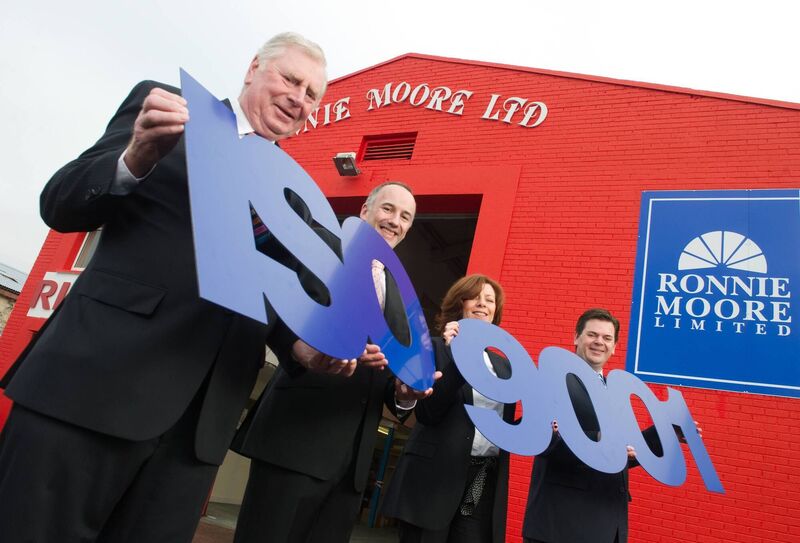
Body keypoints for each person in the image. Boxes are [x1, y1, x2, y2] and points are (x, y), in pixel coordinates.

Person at [0, 32, 342, 543]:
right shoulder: (168, 114)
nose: (299, 98)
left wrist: (303, 349)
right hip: (93, 390)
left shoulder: (293, 204)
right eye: (291, 79)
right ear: (253, 68)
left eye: (313, 94)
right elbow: (62, 203)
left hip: (194, 437)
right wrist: (136, 155)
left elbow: (267, 302)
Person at [232, 181, 436, 543]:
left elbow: (389, 380)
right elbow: (275, 299)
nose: (395, 221)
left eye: (405, 217)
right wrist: (302, 348)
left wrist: (405, 394)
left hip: (350, 469)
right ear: (364, 211)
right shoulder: (323, 249)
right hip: (295, 442)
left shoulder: (401, 297)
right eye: (388, 209)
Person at [382, 274, 515, 543]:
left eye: (489, 300)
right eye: (475, 297)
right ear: (459, 303)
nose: (483, 304)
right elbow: (428, 413)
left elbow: (503, 426)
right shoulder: (434, 348)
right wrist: (460, 359)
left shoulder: (504, 367)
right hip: (434, 478)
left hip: (481, 480)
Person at [522, 308, 652, 543]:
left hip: (607, 525)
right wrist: (603, 442)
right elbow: (544, 442)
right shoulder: (553, 379)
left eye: (607, 338)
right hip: (562, 527)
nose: (599, 342)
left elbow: (616, 457)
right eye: (592, 335)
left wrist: (662, 437)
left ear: (614, 347)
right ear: (576, 338)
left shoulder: (616, 393)